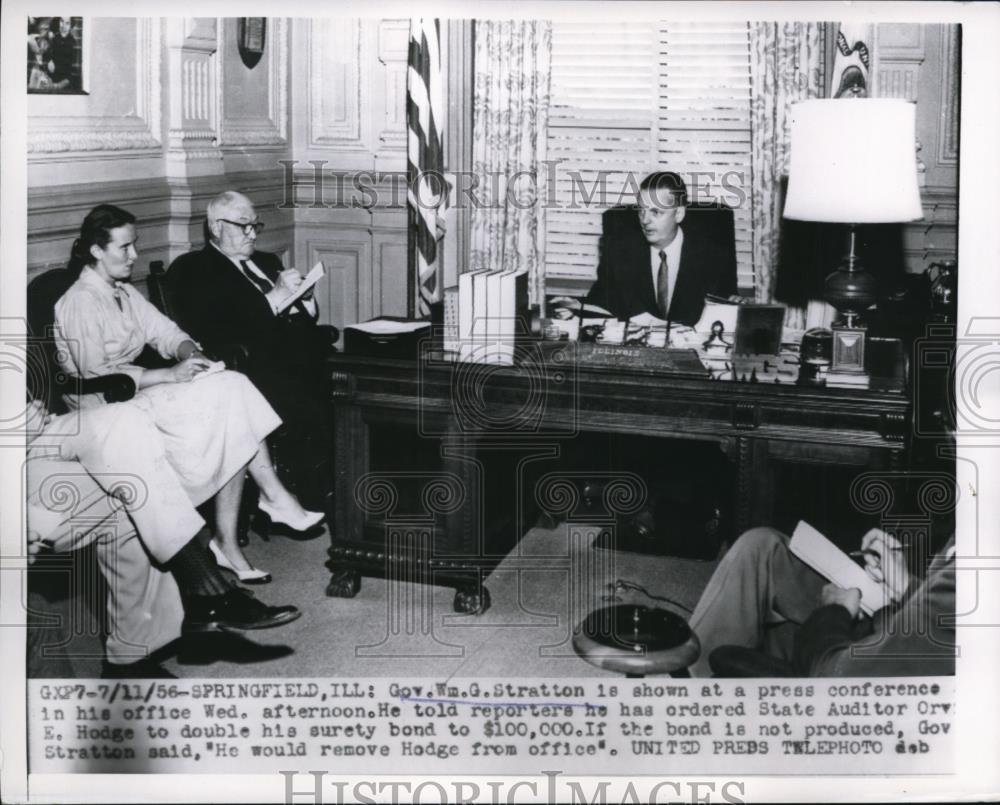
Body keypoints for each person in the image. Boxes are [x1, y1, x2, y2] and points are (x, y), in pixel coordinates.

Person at [53, 204, 323, 586]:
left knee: (230, 386)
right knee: (231, 408)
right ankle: (260, 509)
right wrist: (167, 374)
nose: (134, 256)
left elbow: (166, 332)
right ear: (96, 251)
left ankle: (248, 520)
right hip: (107, 412)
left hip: (139, 393)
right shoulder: (80, 300)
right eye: (124, 248)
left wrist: (191, 355)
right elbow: (94, 374)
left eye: (135, 246)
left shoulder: (124, 293)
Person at [25, 399, 300, 678]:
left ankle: (148, 643)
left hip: (35, 436)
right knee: (129, 481)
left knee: (123, 425)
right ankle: (204, 589)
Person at [168, 191, 334, 514]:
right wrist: (274, 298)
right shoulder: (194, 271)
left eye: (255, 225)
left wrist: (306, 297)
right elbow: (217, 333)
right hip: (255, 372)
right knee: (312, 402)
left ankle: (346, 485)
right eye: (243, 226)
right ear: (216, 227)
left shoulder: (267, 261)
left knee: (353, 390)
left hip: (302, 358)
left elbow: (304, 318)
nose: (253, 234)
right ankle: (320, 495)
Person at [687, 526, 956, 677]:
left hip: (857, 676)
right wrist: (906, 587)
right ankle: (683, 687)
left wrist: (833, 612)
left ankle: (681, 717)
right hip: (896, 623)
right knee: (763, 549)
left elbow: (833, 678)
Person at [585, 171, 737, 327]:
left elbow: (723, 316)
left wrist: (738, 309)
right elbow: (598, 305)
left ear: (678, 213)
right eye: (641, 210)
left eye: (655, 212)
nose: (645, 220)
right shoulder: (619, 252)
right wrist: (574, 311)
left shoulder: (713, 257)